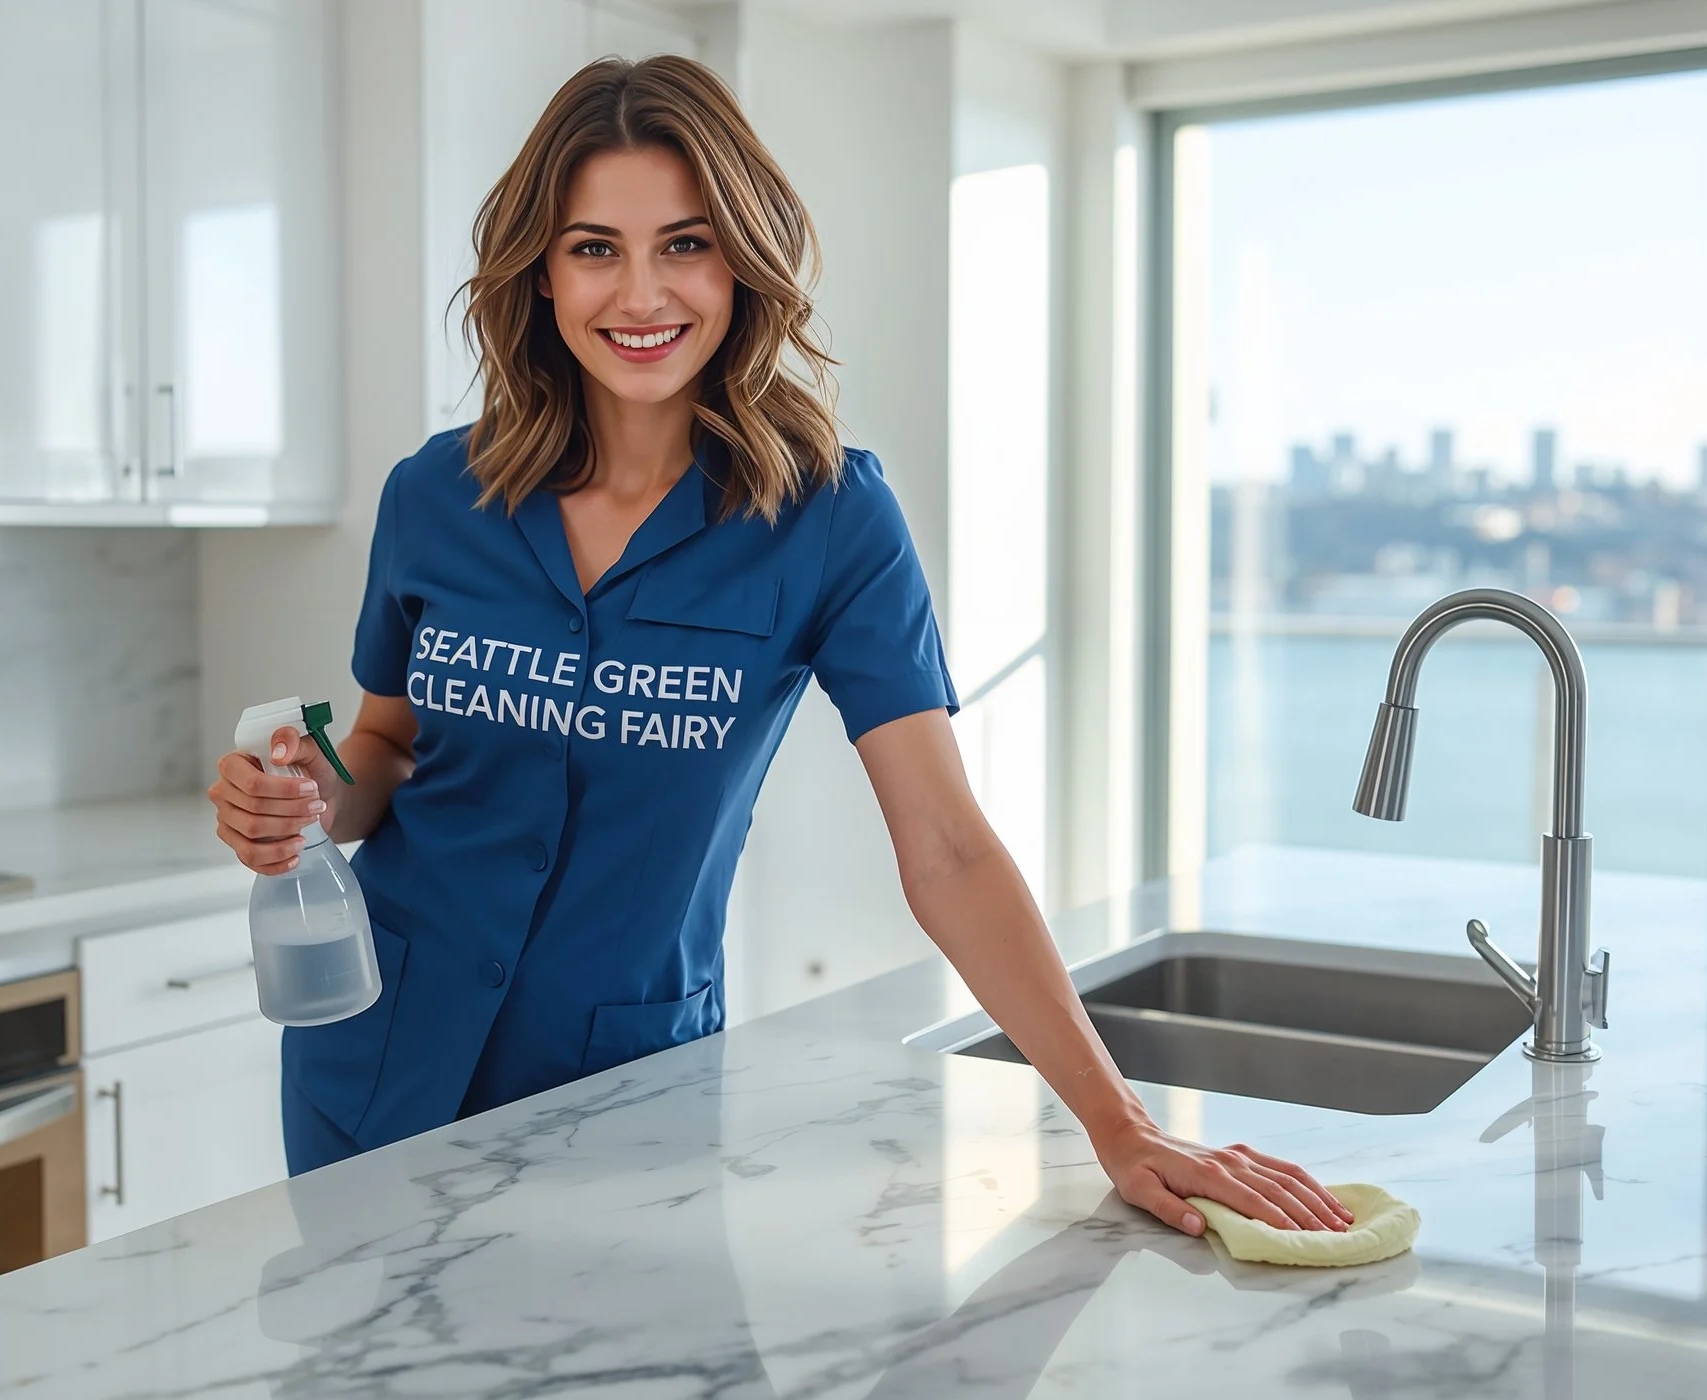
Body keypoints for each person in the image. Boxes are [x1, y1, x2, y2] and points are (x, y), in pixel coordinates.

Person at [208, 54, 1350, 1239]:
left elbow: (948, 847)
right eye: (595, 246)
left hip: (615, 1103)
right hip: (372, 1060)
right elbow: (385, 742)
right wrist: (298, 797)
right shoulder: (436, 493)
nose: (640, 292)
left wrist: (1120, 1121)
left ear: (743, 259)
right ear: (541, 274)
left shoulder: (828, 515)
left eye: (685, 244)